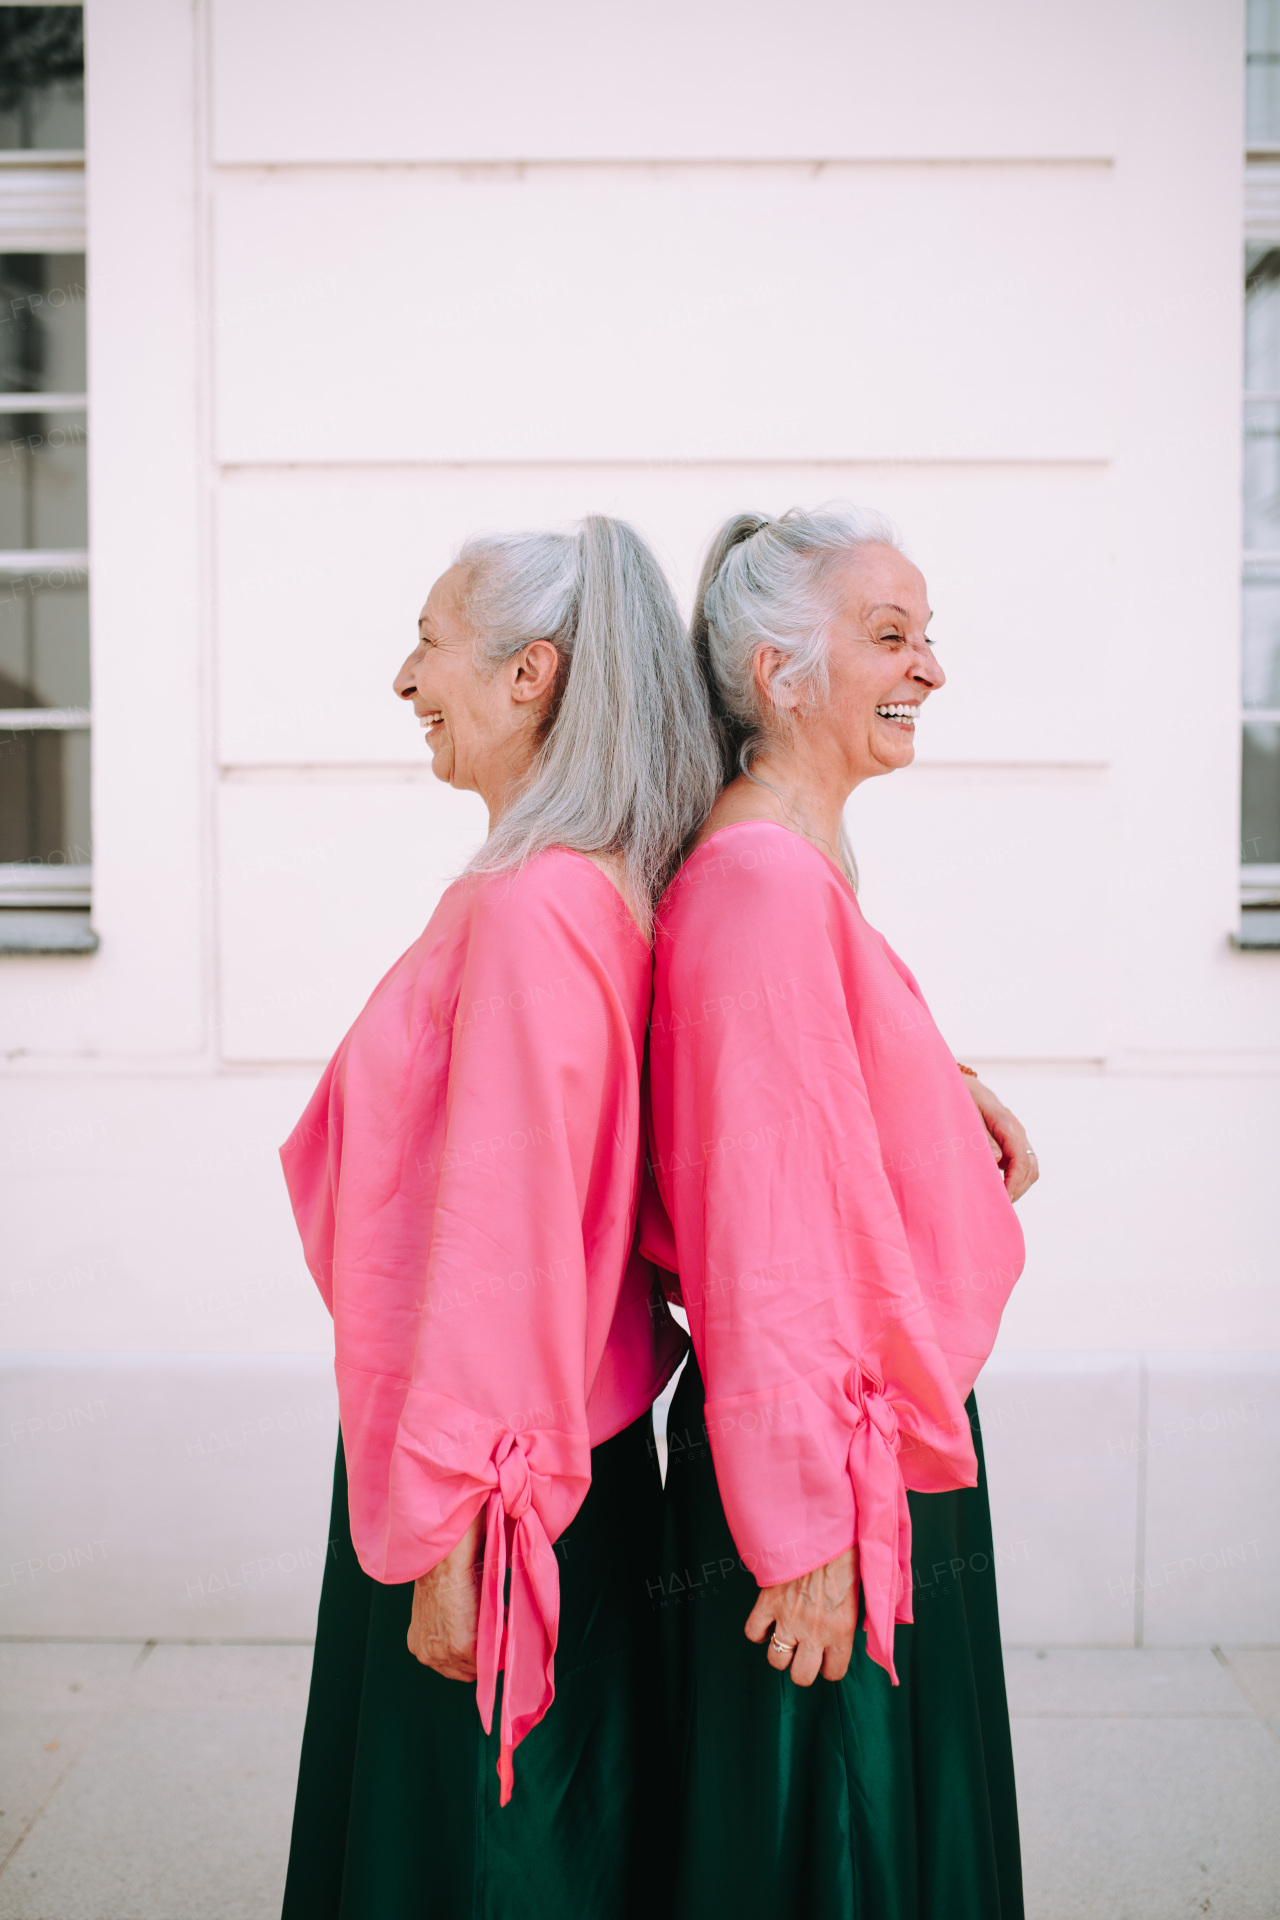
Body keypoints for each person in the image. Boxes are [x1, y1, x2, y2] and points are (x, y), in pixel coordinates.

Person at [278, 517, 720, 1919]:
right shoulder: (595, 892)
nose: (406, 678)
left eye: (428, 639)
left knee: (480, 1867)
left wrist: (458, 1546)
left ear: (530, 675)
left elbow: (502, 1248)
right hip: (522, 1465)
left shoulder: (537, 908)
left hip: (491, 1489)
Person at [645, 507, 1038, 1919]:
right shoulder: (757, 887)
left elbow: (812, 1123)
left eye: (926, 636)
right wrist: (802, 1530)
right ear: (779, 672)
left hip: (855, 1442)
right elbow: (765, 1238)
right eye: (890, 636)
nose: (928, 668)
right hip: (823, 1478)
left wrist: (945, 1080)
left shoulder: (787, 876)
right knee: (836, 1859)